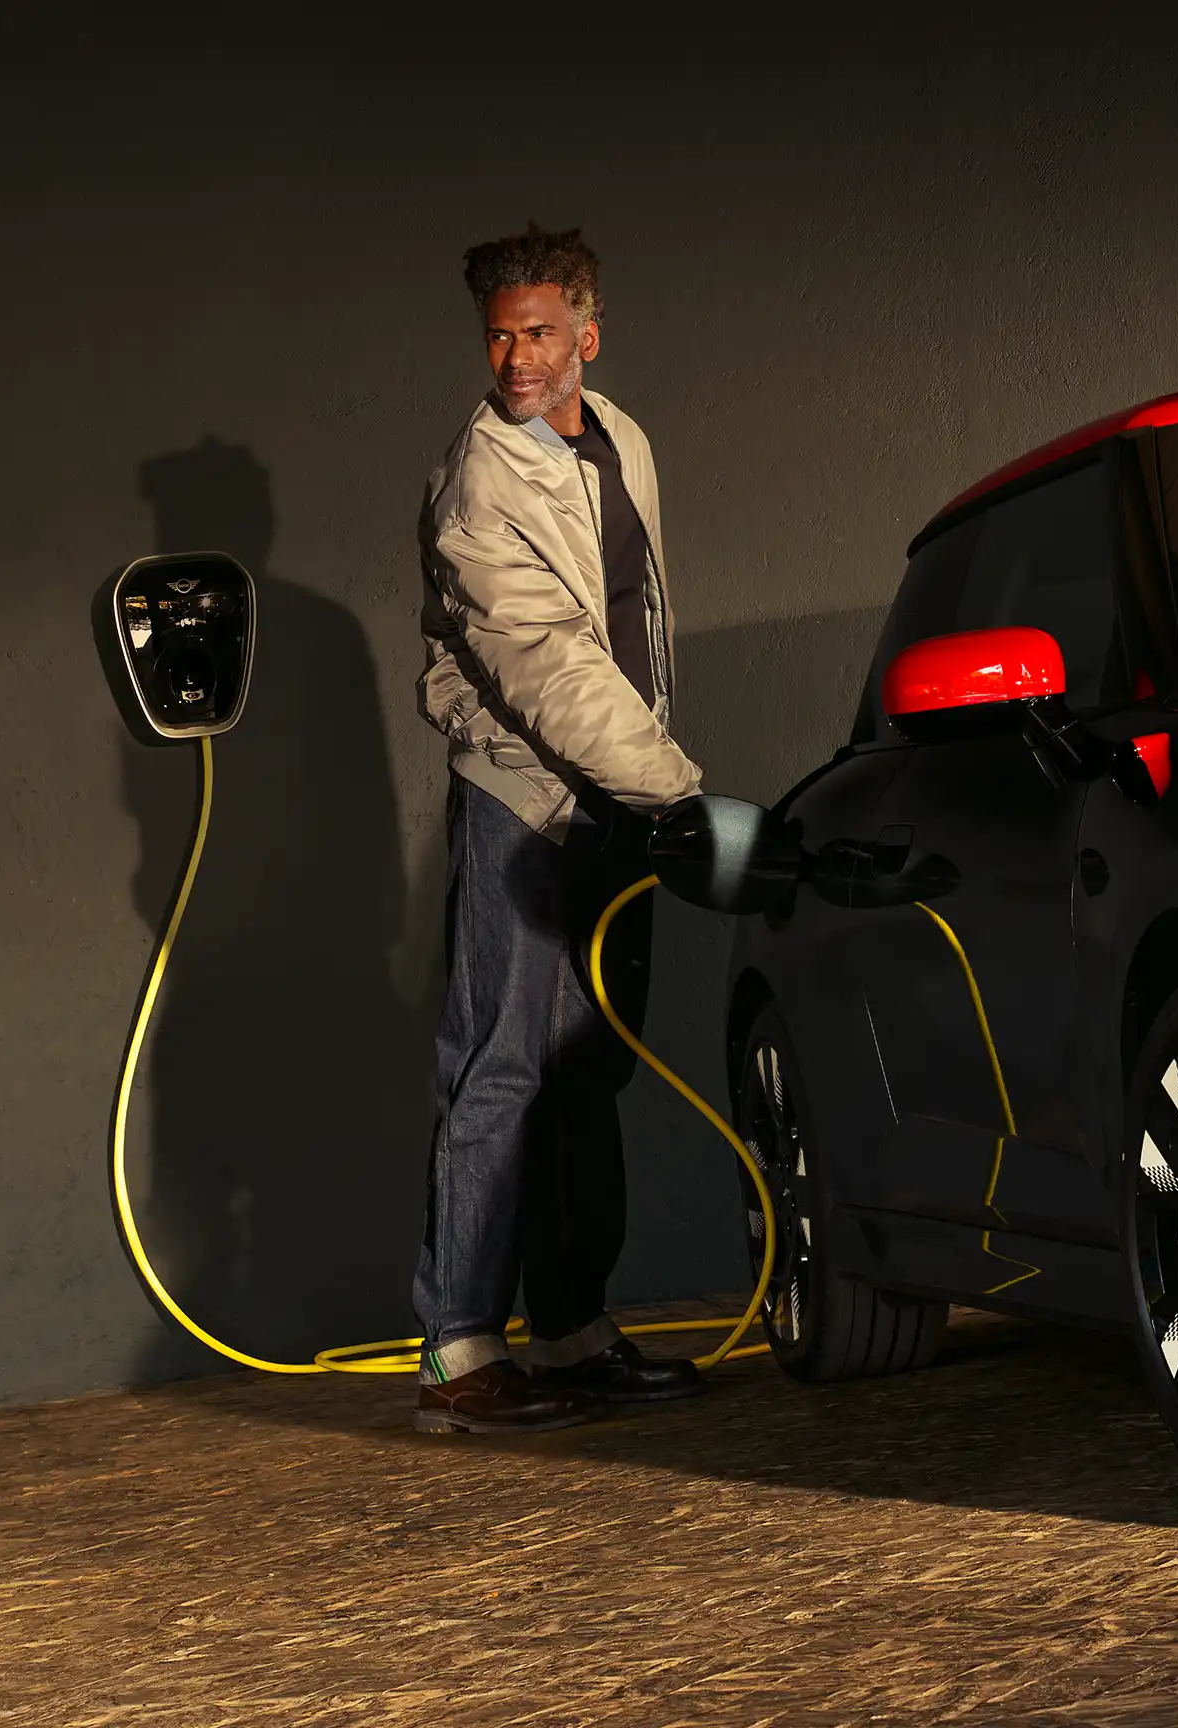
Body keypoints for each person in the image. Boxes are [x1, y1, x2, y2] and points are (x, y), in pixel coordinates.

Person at [408, 223, 711, 1433]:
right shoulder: (479, 482)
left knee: (587, 1069)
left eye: (539, 333)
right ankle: (457, 1354)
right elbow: (545, 665)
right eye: (499, 337)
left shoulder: (620, 438)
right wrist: (676, 792)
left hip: (616, 798)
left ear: (588, 332)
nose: (517, 358)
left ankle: (572, 1332)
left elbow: (635, 624)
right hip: (525, 801)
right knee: (501, 1066)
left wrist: (646, 787)